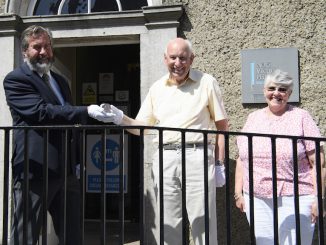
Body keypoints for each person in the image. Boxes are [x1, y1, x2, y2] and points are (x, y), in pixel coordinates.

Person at [101, 37, 229, 245]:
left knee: (202, 220)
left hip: (197, 154)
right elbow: (141, 128)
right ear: (165, 59)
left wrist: (220, 163)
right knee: (168, 221)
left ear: (192, 59)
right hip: (165, 156)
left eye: (183, 58)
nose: (178, 63)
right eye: (173, 58)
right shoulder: (157, 88)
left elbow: (223, 126)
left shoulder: (207, 82)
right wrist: (119, 118)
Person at [3, 25, 112, 245]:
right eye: (37, 47)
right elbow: (40, 112)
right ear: (25, 51)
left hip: (67, 171)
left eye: (47, 46)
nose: (43, 52)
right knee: (26, 234)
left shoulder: (60, 81)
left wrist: (78, 161)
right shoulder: (16, 79)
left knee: (73, 235)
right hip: (35, 170)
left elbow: (69, 123)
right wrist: (85, 110)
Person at [235, 69, 325, 244]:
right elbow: (241, 158)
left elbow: (319, 163)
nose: (276, 93)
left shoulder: (301, 117)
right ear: (264, 91)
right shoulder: (253, 118)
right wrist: (238, 193)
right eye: (271, 88)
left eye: (282, 89)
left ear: (289, 94)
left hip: (296, 196)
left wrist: (319, 199)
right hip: (257, 197)